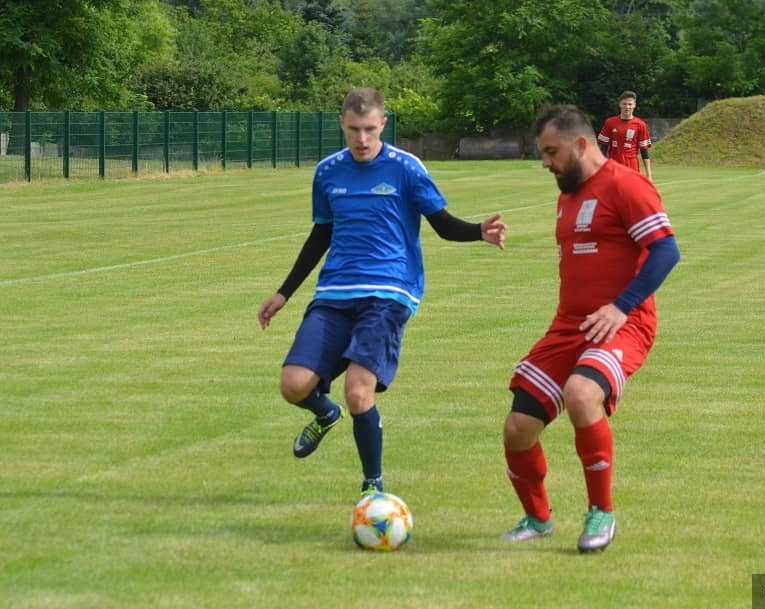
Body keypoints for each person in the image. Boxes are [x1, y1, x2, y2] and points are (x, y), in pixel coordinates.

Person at [258, 87, 507, 496]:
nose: (362, 139)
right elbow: (321, 235)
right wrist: (284, 293)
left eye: (370, 129)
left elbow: (442, 225)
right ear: (342, 123)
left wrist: (478, 231)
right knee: (293, 385)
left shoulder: (406, 168)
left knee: (359, 391)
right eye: (354, 129)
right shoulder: (327, 172)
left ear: (383, 125)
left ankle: (372, 487)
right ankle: (326, 413)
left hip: (390, 291)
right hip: (335, 292)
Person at [501, 104, 679, 553]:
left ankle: (601, 513)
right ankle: (537, 519)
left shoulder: (627, 185)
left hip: (623, 324)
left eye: (551, 152)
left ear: (580, 145)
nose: (545, 163)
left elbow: (665, 251)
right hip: (569, 327)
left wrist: (620, 307)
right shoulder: (568, 195)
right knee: (518, 427)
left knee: (581, 394)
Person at [597, 90, 653, 180]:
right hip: (614, 165)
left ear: (634, 105)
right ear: (620, 104)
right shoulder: (610, 122)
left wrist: (649, 175)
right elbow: (603, 148)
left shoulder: (641, 125)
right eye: (625, 104)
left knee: (631, 189)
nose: (627, 107)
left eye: (630, 104)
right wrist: (600, 168)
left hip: (632, 166)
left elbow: (644, 151)